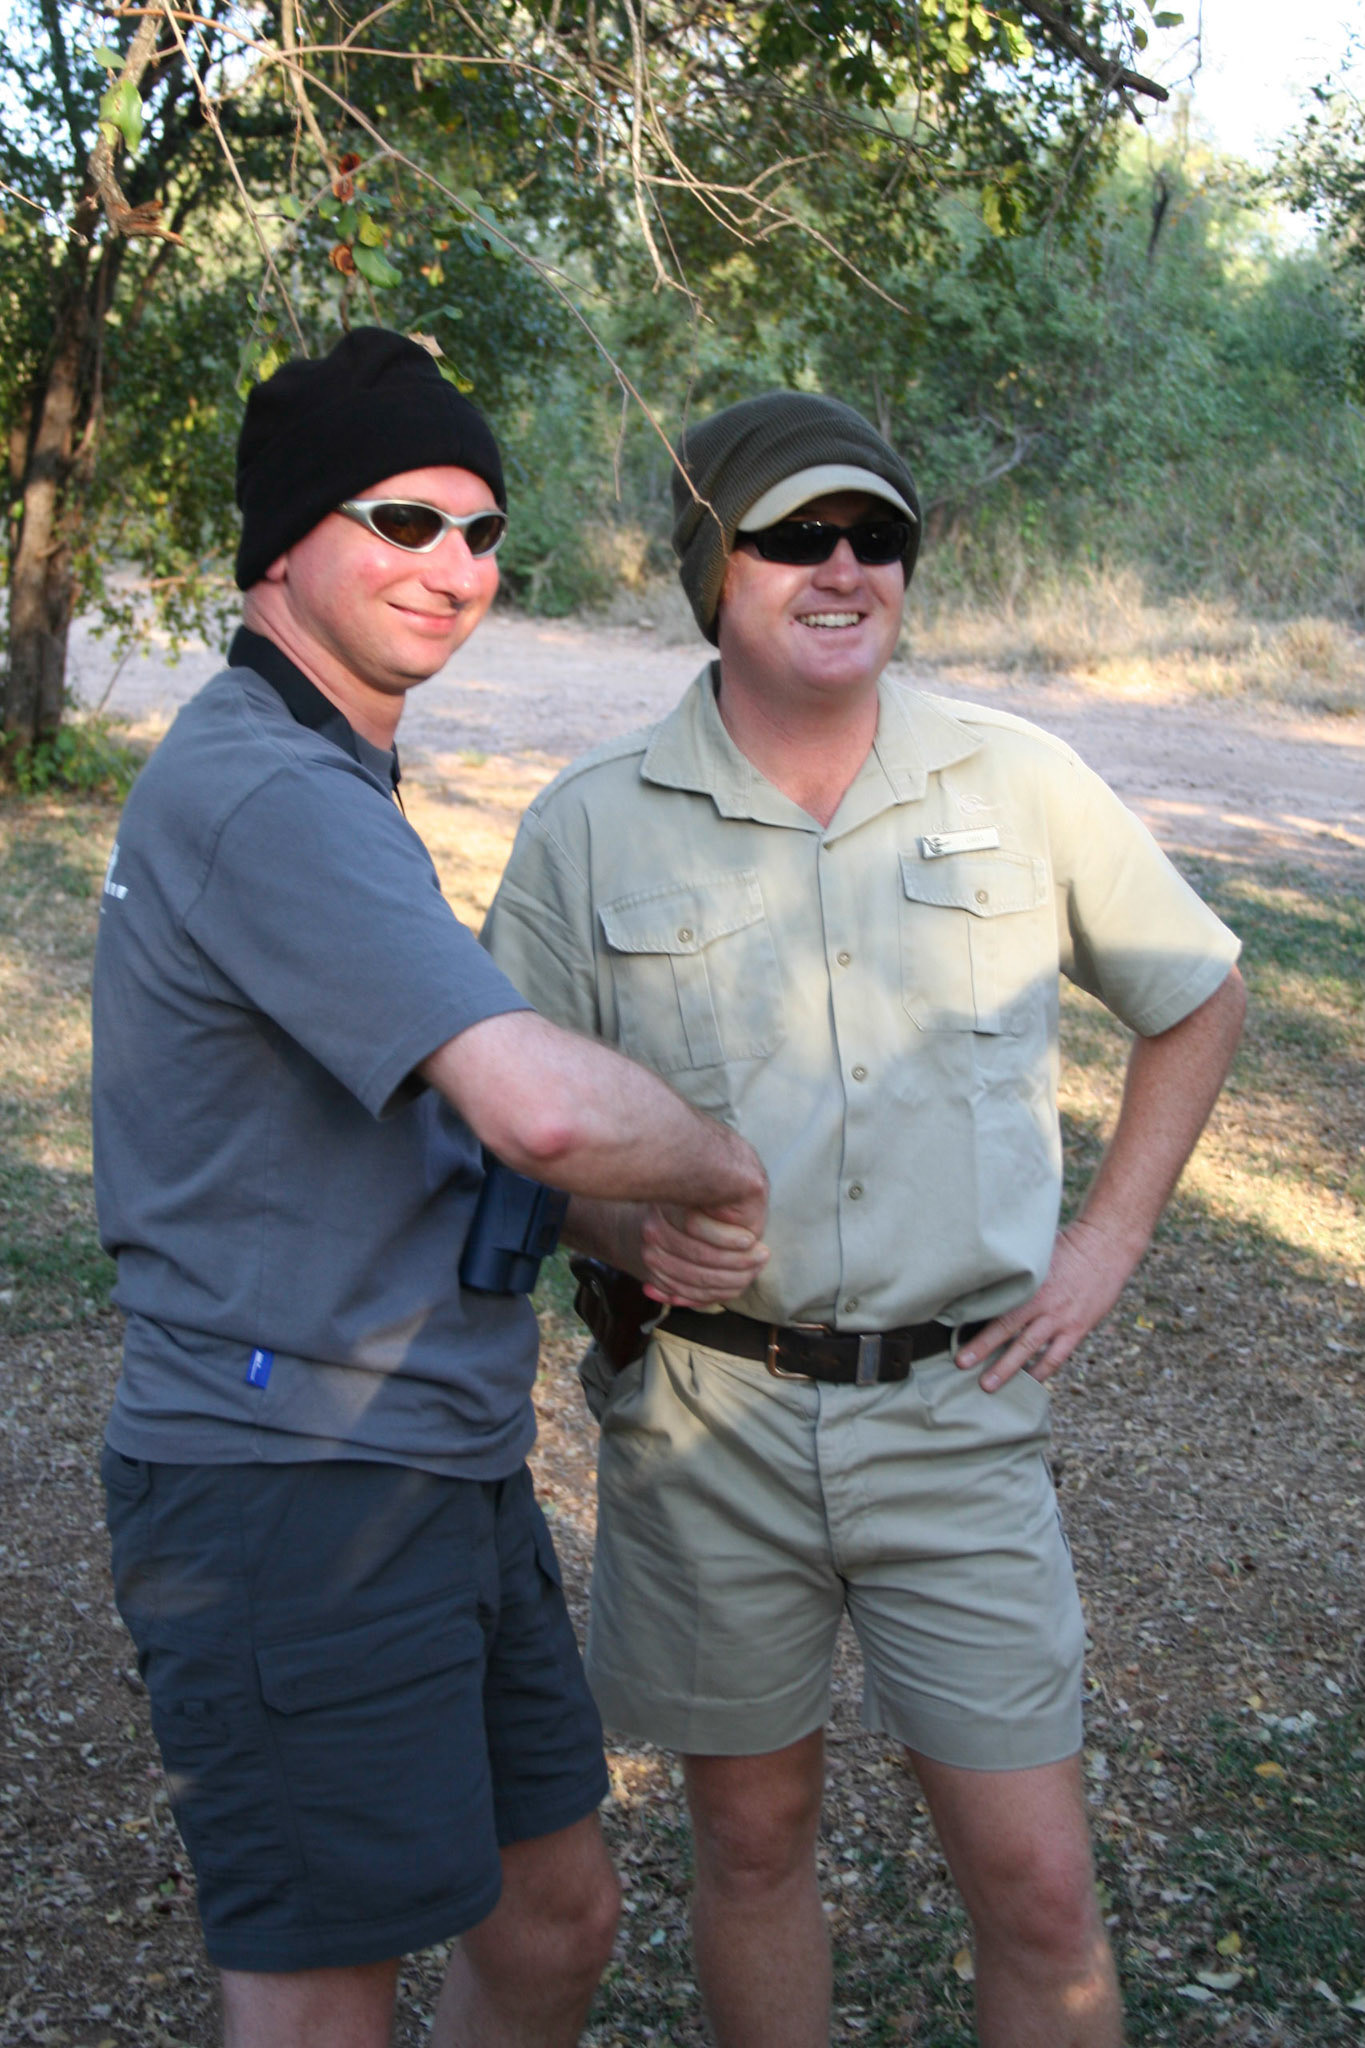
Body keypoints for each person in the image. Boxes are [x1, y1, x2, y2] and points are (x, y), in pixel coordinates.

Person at [481, 390, 1246, 2048]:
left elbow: (1197, 993)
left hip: (953, 1419)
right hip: (704, 1423)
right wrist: (615, 1228)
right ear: (713, 569)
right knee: (752, 1847)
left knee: (1037, 1889)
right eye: (792, 537)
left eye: (874, 538)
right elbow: (501, 1121)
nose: (841, 569)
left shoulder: (1020, 781)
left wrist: (1104, 1242)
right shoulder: (588, 822)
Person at [91, 328, 767, 2048]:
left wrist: (614, 1225)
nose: (453, 569)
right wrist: (711, 1160)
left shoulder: (334, 773)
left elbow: (429, 1137)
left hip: (429, 1457)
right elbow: (534, 1106)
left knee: (551, 1913)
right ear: (285, 543)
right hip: (290, 1479)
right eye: (403, 521)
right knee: (322, 1999)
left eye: (481, 534)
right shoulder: (260, 786)